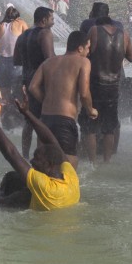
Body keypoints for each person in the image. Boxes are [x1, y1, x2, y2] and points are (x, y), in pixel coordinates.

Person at [0, 94, 80, 211]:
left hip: (30, 212)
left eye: (37, 159)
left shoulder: (45, 187)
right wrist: (27, 113)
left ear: (49, 165)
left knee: (12, 184)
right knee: (14, 178)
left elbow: (11, 153)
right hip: (58, 214)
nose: (31, 161)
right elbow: (52, 141)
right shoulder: (70, 177)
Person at [29, 30, 96, 169]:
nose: (89, 52)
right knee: (68, 169)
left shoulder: (49, 62)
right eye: (88, 47)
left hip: (45, 119)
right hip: (64, 122)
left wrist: (47, 101)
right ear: (80, 48)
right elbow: (84, 93)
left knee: (43, 167)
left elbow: (33, 87)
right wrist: (90, 110)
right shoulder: (83, 62)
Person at [83, 15, 132, 163]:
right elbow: (131, 57)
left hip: (95, 84)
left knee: (91, 125)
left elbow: (85, 52)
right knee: (109, 126)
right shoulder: (124, 35)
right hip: (113, 86)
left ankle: (92, 161)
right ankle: (107, 161)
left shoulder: (94, 30)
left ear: (98, 24)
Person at [17, 7, 55, 156]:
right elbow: (50, 60)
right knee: (43, 120)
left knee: (29, 120)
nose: (54, 22)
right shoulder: (45, 33)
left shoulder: (23, 35)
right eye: (52, 19)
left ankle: (25, 155)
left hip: (26, 80)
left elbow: (17, 60)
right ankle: (42, 156)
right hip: (40, 83)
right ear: (44, 20)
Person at [0, 5, 28, 128]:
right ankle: (20, 123)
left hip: (2, 62)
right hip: (16, 62)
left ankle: (6, 124)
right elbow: (28, 40)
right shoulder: (21, 23)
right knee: (19, 95)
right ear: (17, 17)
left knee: (5, 98)